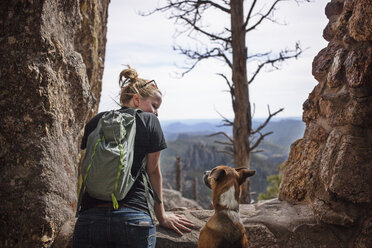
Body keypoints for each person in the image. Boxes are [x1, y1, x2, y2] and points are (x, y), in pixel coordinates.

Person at [73, 66, 194, 248]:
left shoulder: (96, 121)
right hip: (134, 219)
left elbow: (88, 166)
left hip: (89, 219)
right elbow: (153, 171)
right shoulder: (149, 121)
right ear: (136, 99)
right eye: (154, 105)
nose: (156, 112)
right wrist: (161, 216)